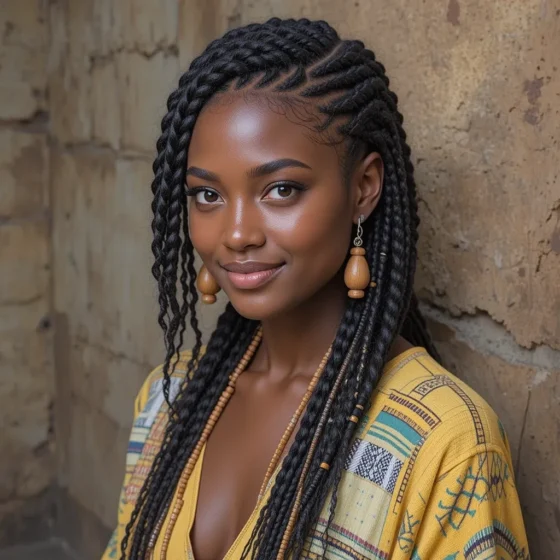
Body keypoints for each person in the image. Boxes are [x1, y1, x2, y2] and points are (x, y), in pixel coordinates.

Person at [102, 17, 530, 560]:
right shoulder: (169, 400)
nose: (235, 234)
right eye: (207, 196)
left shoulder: (445, 445)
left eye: (281, 189)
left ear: (364, 189)